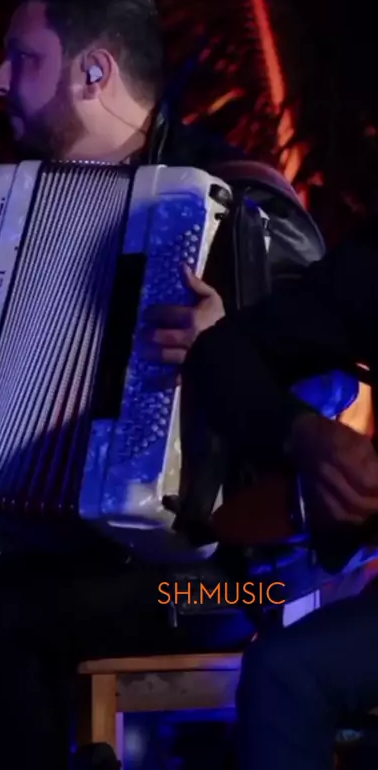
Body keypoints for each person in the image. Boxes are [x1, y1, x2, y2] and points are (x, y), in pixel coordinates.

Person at [0, 0, 255, 770]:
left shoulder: (237, 199)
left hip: (222, 583)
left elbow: (328, 370)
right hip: (50, 561)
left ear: (94, 71)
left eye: (22, 57)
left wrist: (235, 342)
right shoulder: (26, 210)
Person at [180, 189, 378, 767]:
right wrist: (302, 433)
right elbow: (225, 354)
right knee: (282, 671)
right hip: (195, 579)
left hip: (238, 586)